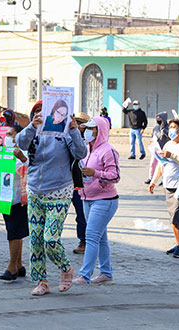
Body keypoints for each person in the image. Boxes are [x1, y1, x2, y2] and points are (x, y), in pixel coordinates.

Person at [16, 101, 87, 296]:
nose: (41, 115)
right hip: (35, 191)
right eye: (37, 112)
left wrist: (73, 131)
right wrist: (32, 127)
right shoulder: (32, 132)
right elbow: (20, 143)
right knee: (36, 240)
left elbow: (81, 153)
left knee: (50, 238)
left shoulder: (64, 132)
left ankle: (66, 268)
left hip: (59, 190)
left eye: (44, 112)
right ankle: (42, 281)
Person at [71, 116, 120, 285]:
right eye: (87, 129)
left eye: (91, 129)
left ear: (100, 131)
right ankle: (106, 272)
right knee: (100, 238)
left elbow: (115, 176)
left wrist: (96, 173)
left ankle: (84, 275)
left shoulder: (108, 150)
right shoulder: (86, 148)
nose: (87, 132)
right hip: (87, 198)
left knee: (91, 236)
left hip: (105, 200)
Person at [148, 118, 179, 258]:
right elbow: (161, 164)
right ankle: (178, 243)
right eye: (170, 127)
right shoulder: (168, 144)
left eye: (174, 127)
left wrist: (172, 156)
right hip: (168, 184)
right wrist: (154, 181)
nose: (171, 130)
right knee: (173, 218)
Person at [0, 125, 30, 281]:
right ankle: (18, 265)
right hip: (6, 199)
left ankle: (12, 267)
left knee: (14, 232)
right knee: (14, 232)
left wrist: (22, 159)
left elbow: (28, 171)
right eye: (6, 134)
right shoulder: (3, 153)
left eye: (10, 134)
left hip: (19, 200)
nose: (6, 136)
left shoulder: (23, 153)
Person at [71, 112, 90, 254]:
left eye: (81, 123)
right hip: (67, 181)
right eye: (76, 122)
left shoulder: (90, 141)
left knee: (82, 213)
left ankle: (84, 240)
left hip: (83, 183)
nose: (78, 125)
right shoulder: (69, 138)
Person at [145, 112, 170, 185]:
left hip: (163, 149)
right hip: (155, 149)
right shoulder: (156, 127)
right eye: (157, 118)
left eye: (159, 118)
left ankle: (164, 179)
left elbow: (170, 137)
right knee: (152, 164)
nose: (158, 119)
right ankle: (150, 178)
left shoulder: (167, 128)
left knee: (163, 165)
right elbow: (152, 136)